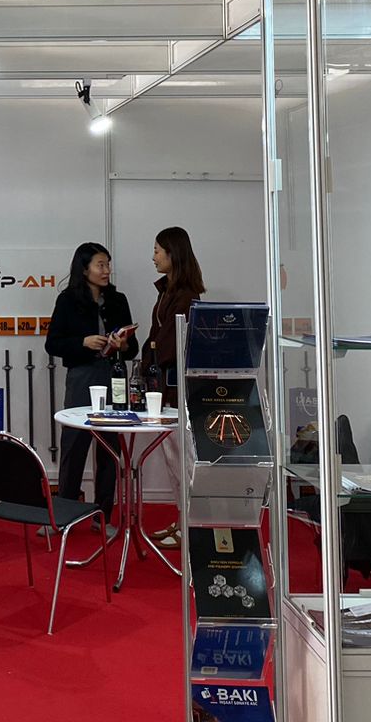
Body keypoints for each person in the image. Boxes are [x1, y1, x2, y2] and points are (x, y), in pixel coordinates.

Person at [45, 241, 135, 533]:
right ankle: (63, 516)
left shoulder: (118, 300)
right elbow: (53, 343)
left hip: (113, 376)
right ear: (84, 269)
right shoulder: (67, 300)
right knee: (74, 445)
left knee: (109, 448)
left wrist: (122, 344)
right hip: (82, 377)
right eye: (100, 265)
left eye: (108, 264)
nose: (106, 270)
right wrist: (82, 342)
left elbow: (132, 348)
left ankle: (102, 516)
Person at [144, 226, 205, 549]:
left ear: (172, 253)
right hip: (165, 388)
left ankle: (192, 525)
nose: (153, 257)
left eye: (157, 250)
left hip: (178, 388)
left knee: (185, 459)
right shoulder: (166, 292)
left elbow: (167, 344)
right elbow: (156, 339)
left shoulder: (185, 296)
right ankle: (184, 520)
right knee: (173, 458)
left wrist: (152, 353)